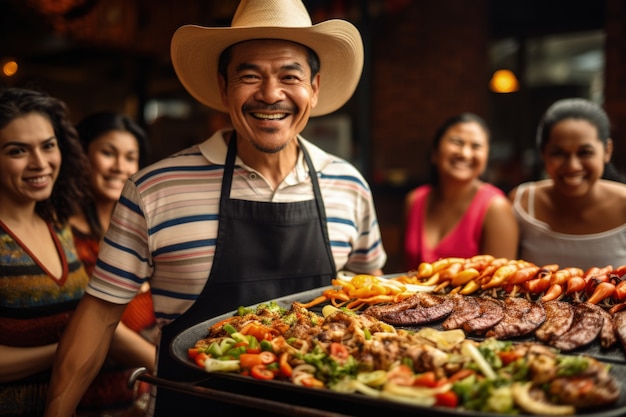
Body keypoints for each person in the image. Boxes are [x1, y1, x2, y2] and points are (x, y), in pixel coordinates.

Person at [46, 1, 387, 416]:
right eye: (250, 75)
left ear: (314, 88)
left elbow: (375, 305)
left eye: (289, 76)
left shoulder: (348, 185)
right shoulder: (154, 189)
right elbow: (98, 317)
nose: (270, 93)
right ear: (224, 88)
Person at [0, 87, 154, 417]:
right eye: (17, 151)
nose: (39, 163)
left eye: (48, 146)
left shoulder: (57, 225)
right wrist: (77, 350)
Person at [69, 112, 156, 416]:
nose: (120, 167)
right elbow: (101, 326)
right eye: (108, 153)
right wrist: (172, 370)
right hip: (89, 402)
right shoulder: (63, 236)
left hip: (140, 400)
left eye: (131, 157)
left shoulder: (142, 232)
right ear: (81, 155)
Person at [509, 98, 626, 270]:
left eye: (585, 152)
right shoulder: (523, 203)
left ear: (607, 151)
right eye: (558, 153)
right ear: (543, 154)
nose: (573, 166)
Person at [404, 112, 519, 270]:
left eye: (476, 146)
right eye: (457, 142)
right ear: (434, 152)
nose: (465, 154)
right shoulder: (415, 200)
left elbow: (500, 285)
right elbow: (401, 272)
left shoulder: (496, 208)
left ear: (486, 158)